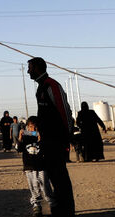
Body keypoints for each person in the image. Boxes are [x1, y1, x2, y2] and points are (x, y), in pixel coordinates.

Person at [28, 57, 75, 217]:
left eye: (30, 68)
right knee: (53, 177)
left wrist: (67, 135)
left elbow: (65, 111)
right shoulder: (40, 88)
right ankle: (60, 209)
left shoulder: (51, 85)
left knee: (60, 177)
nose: (28, 71)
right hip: (47, 142)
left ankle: (67, 211)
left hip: (57, 140)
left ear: (38, 68)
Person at [18, 116, 54, 217]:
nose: (32, 130)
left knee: (45, 187)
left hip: (41, 166)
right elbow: (19, 149)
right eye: (30, 127)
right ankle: (36, 205)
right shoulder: (25, 138)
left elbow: (45, 150)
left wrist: (40, 139)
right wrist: (20, 138)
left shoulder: (42, 137)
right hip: (29, 167)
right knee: (33, 187)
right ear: (27, 128)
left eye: (34, 128)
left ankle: (52, 204)